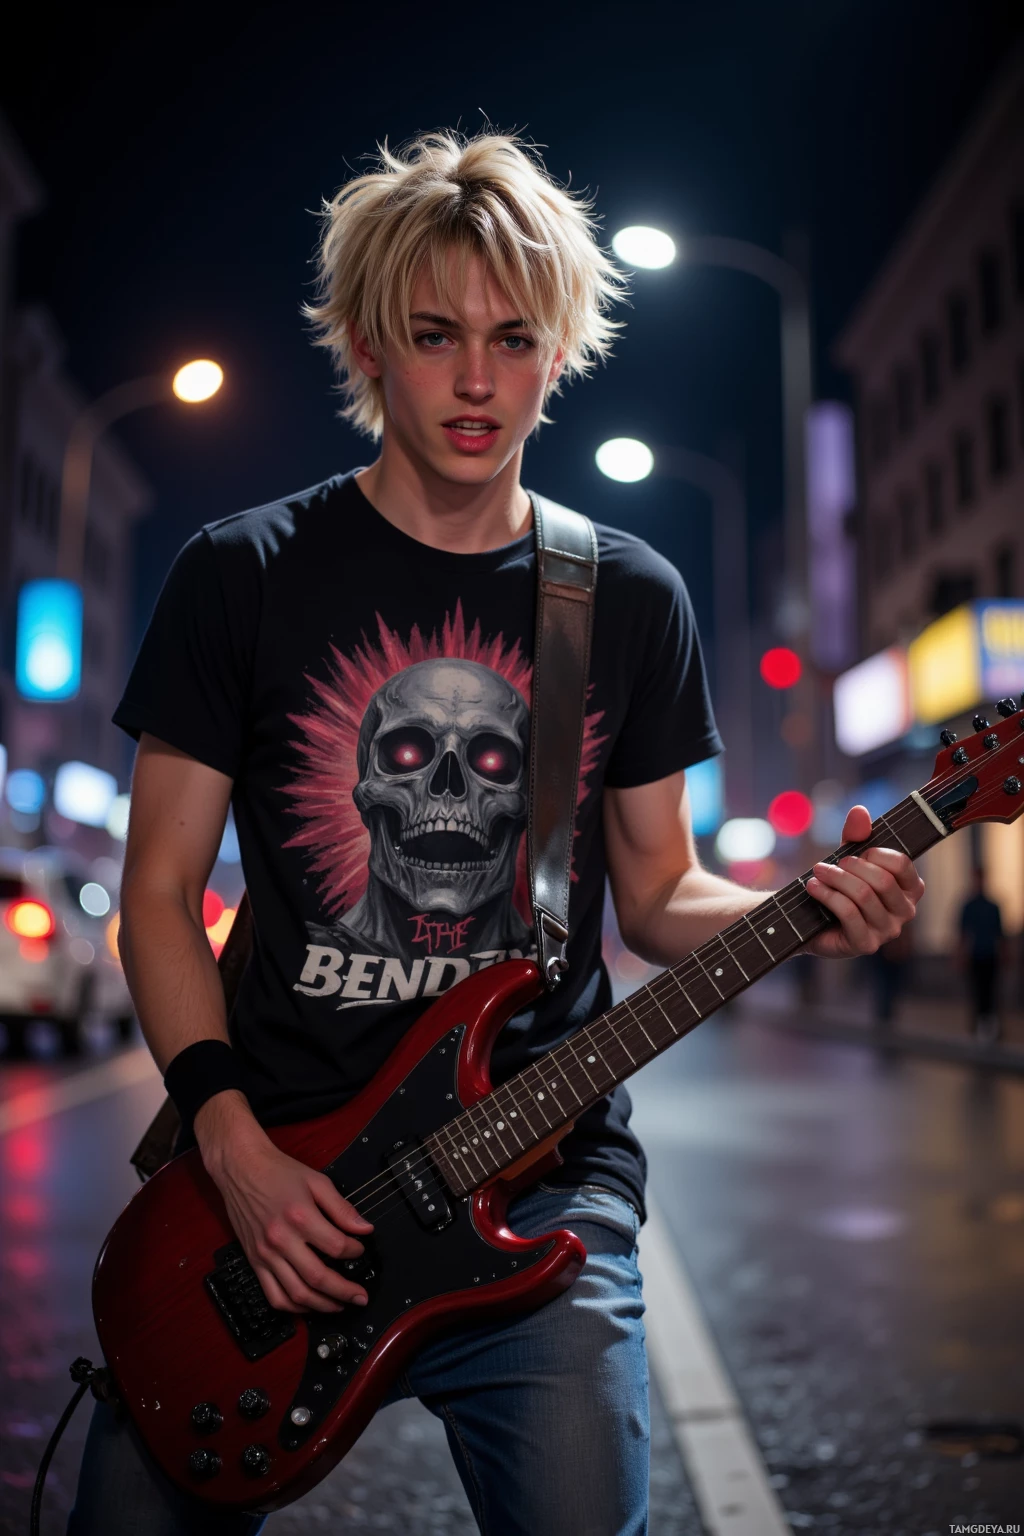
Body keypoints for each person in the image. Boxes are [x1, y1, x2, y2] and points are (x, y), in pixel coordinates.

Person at [67, 130, 926, 1536]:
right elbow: (157, 897)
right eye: (435, 335)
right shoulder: (242, 575)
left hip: (538, 1186)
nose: (478, 379)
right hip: (270, 1183)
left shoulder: (626, 598)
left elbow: (659, 895)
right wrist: (231, 1147)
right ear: (366, 346)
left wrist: (809, 897)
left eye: (516, 338)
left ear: (560, 350)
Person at [958, 867, 1005, 1044]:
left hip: (989, 954)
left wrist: (1003, 954)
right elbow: (963, 933)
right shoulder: (969, 906)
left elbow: (1000, 934)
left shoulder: (992, 906)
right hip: (975, 955)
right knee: (977, 991)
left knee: (991, 991)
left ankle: (990, 1026)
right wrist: (962, 955)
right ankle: (979, 1026)